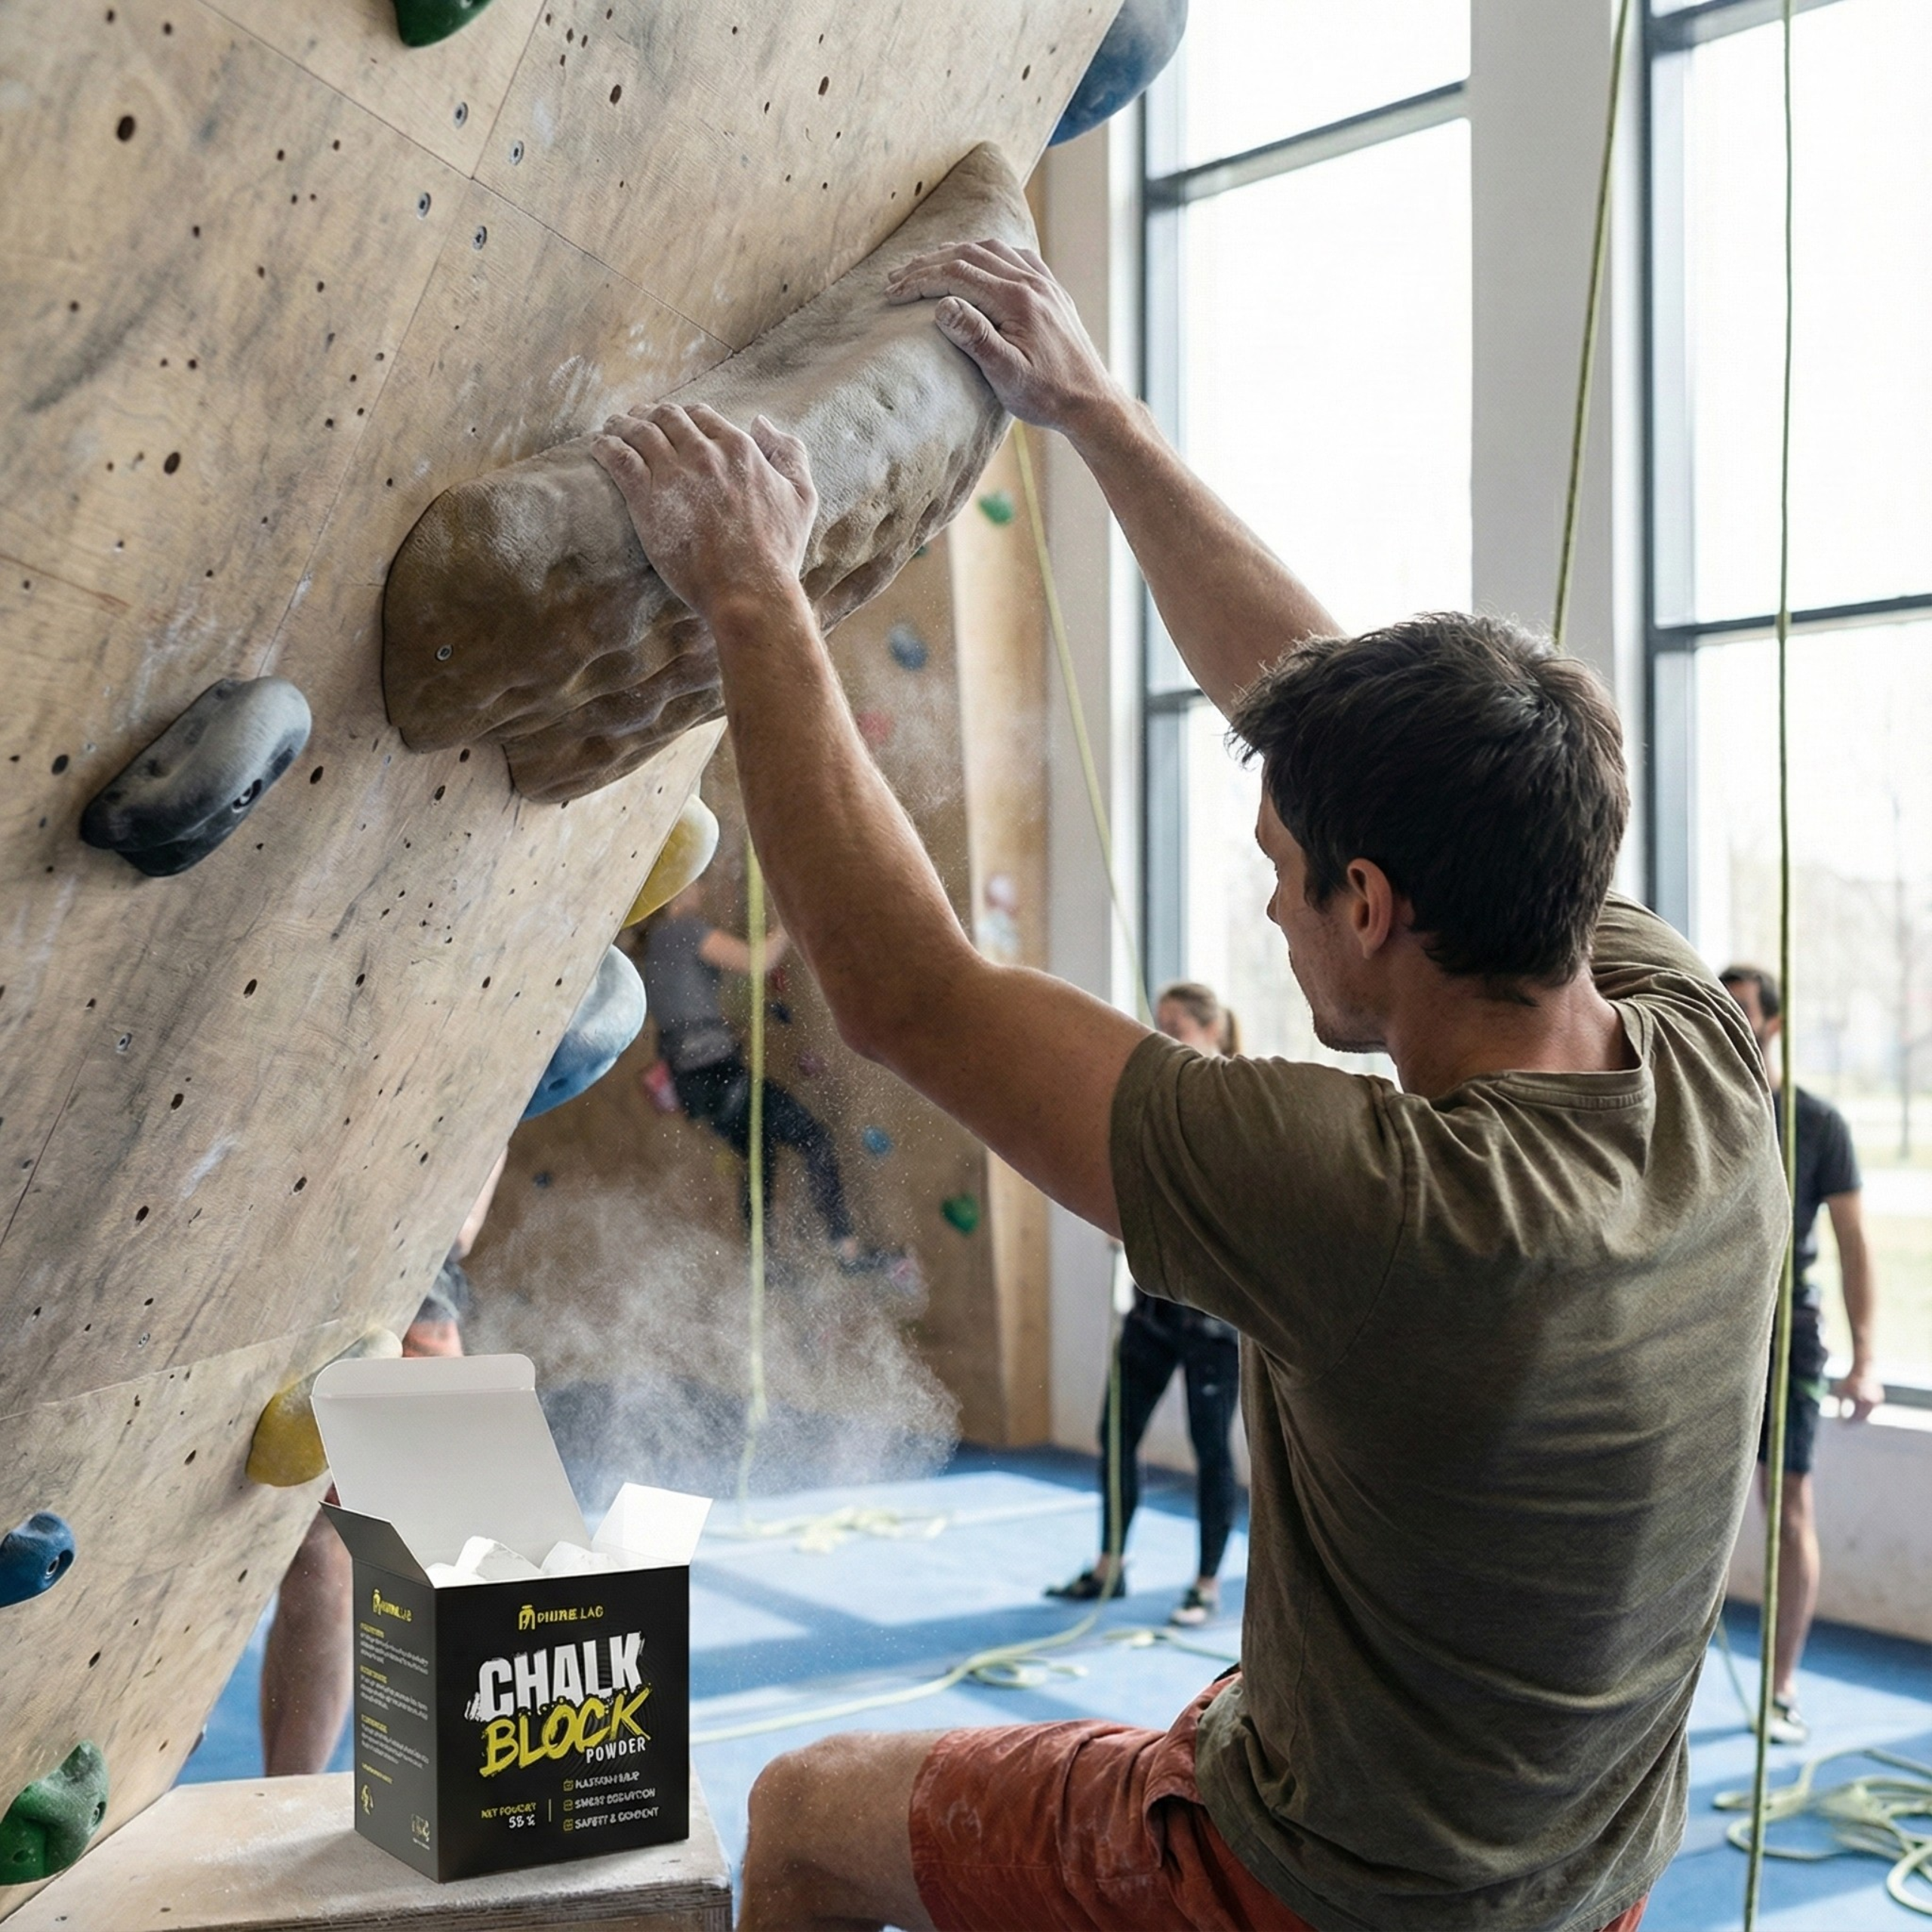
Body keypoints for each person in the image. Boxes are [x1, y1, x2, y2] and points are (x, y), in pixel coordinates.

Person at [587, 239, 1786, 1932]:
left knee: (796, 1815)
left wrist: (749, 594)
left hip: (1311, 1890)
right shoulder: (1680, 1041)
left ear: (1365, 906)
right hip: (1570, 1881)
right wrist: (1094, 411)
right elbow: (1327, 711)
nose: (1273, 914)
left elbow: (911, 995)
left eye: (1281, 875)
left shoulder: (1388, 1206)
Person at [259, 1151, 503, 1776]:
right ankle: (286, 1797)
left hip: (412, 1296)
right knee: (318, 1563)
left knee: (365, 1559)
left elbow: (460, 1226)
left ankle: (473, 1781)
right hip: (342, 1288)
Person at [1721, 963, 1884, 1745]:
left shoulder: (1816, 1124)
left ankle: (1780, 1688)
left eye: (1743, 1010)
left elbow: (1854, 1245)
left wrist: (1866, 1358)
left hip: (1788, 1337)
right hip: (1706, 1333)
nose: (1730, 1019)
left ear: (1772, 1024)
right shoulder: (1702, 1108)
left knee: (1786, 1511)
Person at [1049, 982, 1244, 1628]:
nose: (1165, 1037)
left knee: (1210, 1448)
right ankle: (1111, 1565)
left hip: (1213, 1321)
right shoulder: (1156, 1107)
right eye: (1158, 1025)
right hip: (1155, 1311)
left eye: (1178, 1027)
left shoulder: (1238, 1108)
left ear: (1213, 1032)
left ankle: (1207, 1582)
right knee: (1115, 1434)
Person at [638, 881, 878, 1270]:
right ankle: (845, 1250)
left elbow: (689, 1010)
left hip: (696, 1085)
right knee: (813, 1138)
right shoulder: (683, 930)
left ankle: (765, 1262)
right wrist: (788, 919)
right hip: (716, 1075)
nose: (700, 884)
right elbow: (757, 962)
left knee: (760, 1157)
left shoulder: (654, 948)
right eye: (694, 879)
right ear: (676, 890)